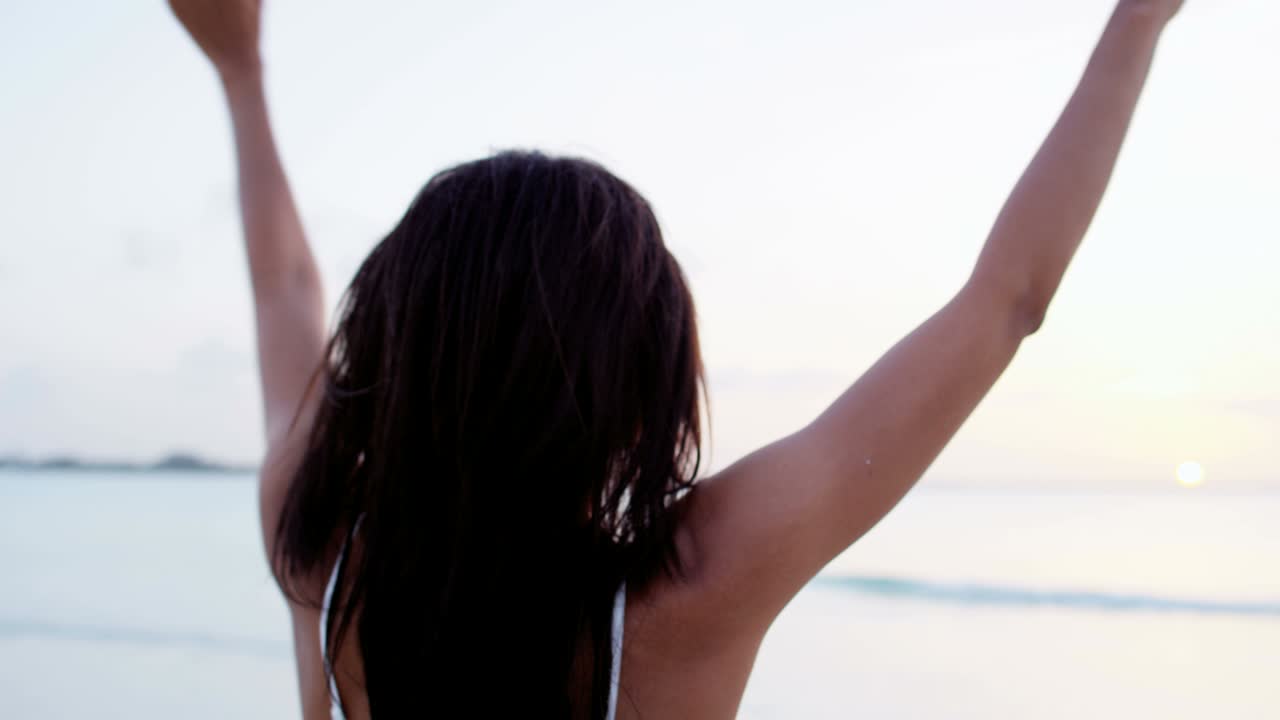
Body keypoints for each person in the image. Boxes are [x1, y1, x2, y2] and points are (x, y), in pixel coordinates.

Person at [168, 1, 1185, 717]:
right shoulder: (681, 599)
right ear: (630, 391)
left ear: (394, 353)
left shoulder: (321, 548)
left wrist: (240, 72)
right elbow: (1003, 300)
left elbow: (284, 300)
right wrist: (1137, 20)